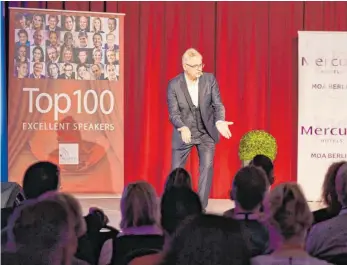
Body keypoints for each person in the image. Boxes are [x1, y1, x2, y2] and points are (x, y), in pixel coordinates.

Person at [166, 48, 233, 209]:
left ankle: (200, 208)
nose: (199, 69)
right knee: (176, 172)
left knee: (207, 168)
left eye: (201, 65)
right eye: (195, 66)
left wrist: (219, 122)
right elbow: (173, 113)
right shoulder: (174, 85)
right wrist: (182, 127)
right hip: (185, 132)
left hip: (206, 131)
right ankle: (176, 206)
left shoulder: (209, 80)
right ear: (185, 66)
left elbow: (218, 105)